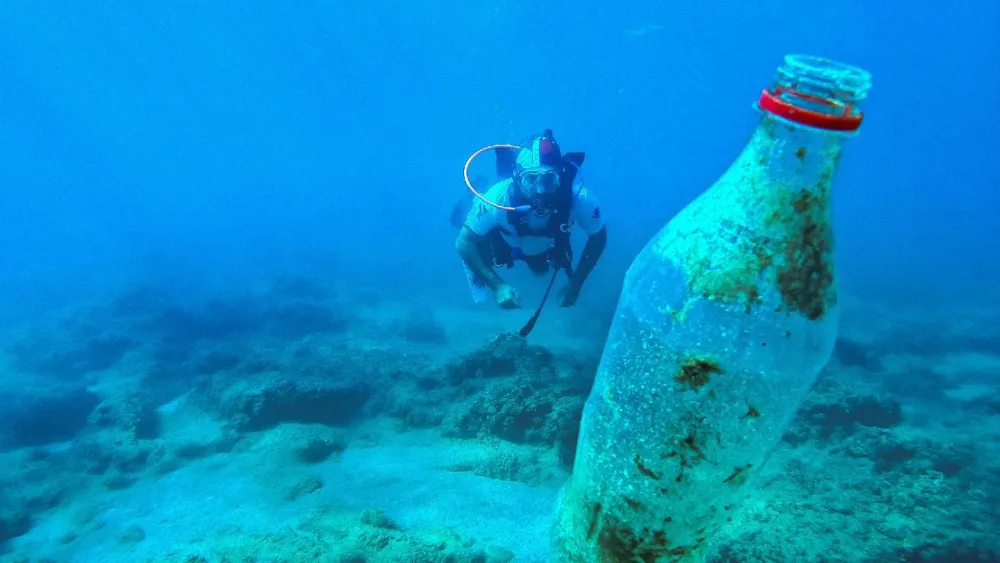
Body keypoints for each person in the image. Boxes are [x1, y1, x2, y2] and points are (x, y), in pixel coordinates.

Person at [455, 129, 607, 309]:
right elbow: (464, 242)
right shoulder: (497, 198)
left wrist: (576, 284)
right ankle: (470, 198)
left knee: (540, 269)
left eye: (548, 180)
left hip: (540, 244)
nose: (540, 191)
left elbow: (598, 235)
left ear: (559, 178)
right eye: (531, 179)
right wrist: (497, 286)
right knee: (472, 235)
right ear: (517, 178)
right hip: (505, 240)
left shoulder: (579, 200)